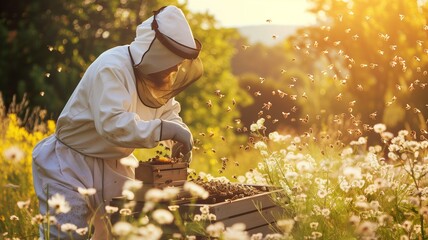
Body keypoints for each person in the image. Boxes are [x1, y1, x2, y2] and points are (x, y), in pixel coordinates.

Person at [32, 5, 203, 239]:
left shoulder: (158, 77)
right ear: (158, 54)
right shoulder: (112, 66)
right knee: (68, 235)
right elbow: (113, 125)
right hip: (70, 163)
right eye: (172, 64)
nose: (175, 70)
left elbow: (168, 112)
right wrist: (166, 129)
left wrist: (180, 132)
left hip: (117, 163)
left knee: (123, 232)